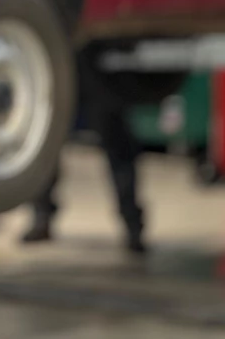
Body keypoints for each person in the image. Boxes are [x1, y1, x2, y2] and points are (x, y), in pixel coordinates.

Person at [23, 47, 147, 254]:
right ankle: (41, 216)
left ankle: (133, 225)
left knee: (116, 143)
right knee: (45, 144)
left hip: (93, 63)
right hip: (68, 59)